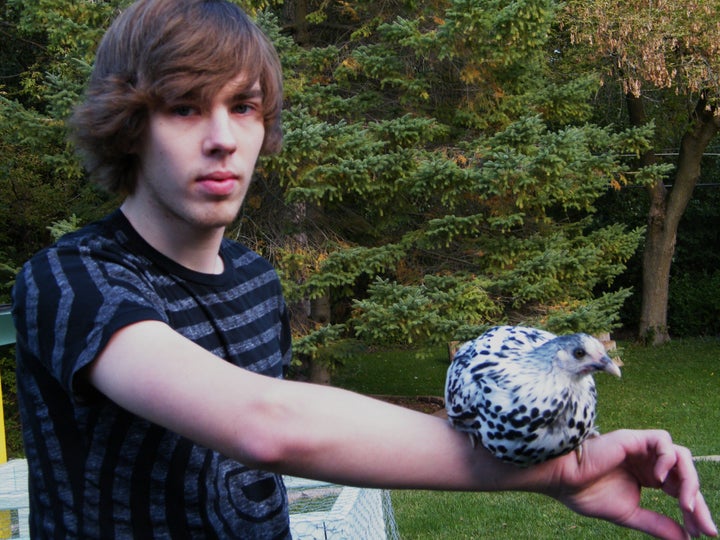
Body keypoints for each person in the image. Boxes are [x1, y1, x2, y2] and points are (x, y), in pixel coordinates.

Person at [10, 0, 717, 538]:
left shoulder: (255, 280)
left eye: (244, 107)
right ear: (130, 122)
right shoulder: (72, 281)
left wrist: (556, 466)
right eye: (184, 107)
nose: (224, 139)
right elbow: (268, 426)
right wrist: (556, 469)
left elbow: (261, 469)